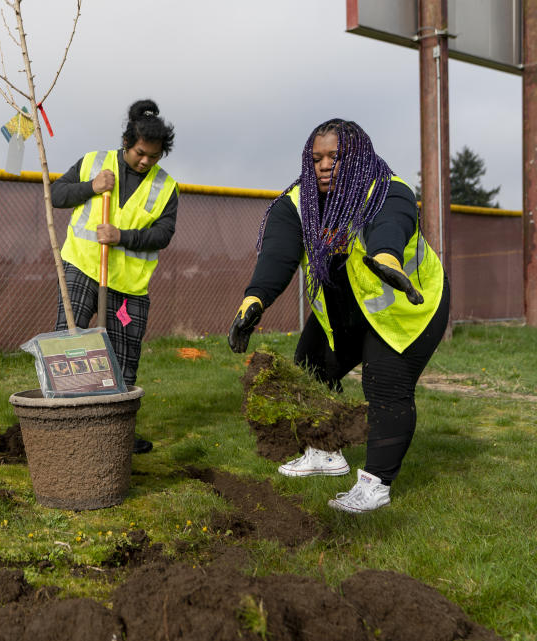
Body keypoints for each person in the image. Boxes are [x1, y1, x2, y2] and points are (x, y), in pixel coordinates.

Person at [228, 118, 449, 513]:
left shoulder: (385, 189)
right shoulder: (296, 203)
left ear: (358, 157)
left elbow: (391, 223)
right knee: (311, 367)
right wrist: (254, 300)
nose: (324, 165)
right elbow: (278, 254)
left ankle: (376, 485)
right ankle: (327, 453)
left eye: (335, 156)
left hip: (408, 307)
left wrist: (386, 256)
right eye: (317, 158)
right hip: (346, 309)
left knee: (384, 386)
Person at [52, 99, 178, 454]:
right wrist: (91, 187)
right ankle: (66, 427)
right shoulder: (95, 162)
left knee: (124, 361)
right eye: (140, 153)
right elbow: (57, 194)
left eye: (153, 156)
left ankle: (117, 435)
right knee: (70, 342)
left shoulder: (166, 187)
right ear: (127, 142)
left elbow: (164, 234)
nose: (145, 161)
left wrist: (122, 237)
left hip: (129, 287)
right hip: (82, 265)